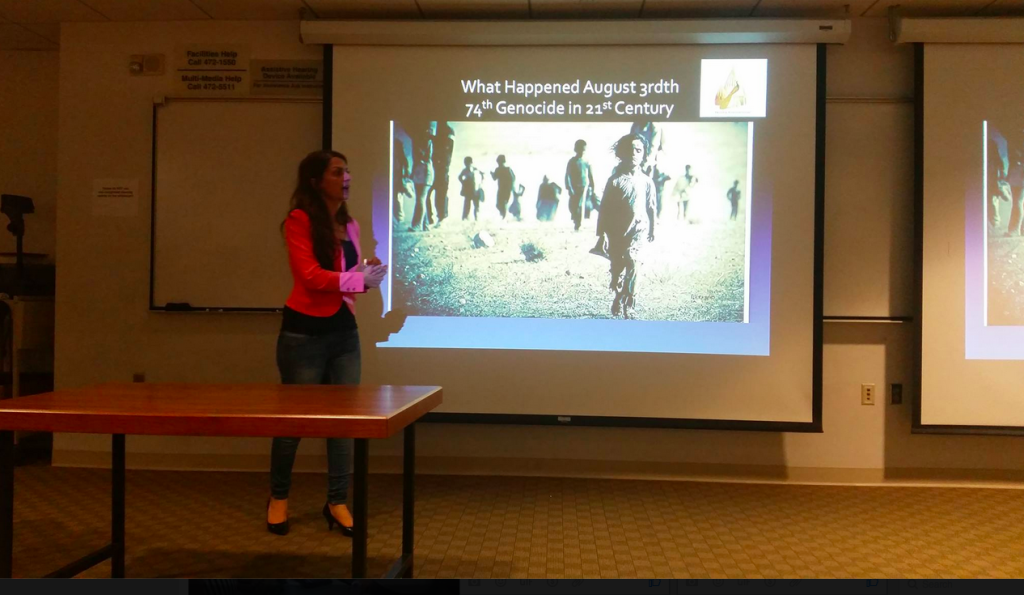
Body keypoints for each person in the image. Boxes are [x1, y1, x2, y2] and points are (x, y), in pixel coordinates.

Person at [268, 150, 387, 538]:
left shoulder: (348, 223)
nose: (347, 177)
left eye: (348, 170)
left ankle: (337, 502)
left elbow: (343, 277)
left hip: (343, 333)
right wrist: (355, 280)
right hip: (303, 333)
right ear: (317, 181)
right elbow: (310, 277)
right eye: (338, 172)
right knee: (293, 423)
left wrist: (365, 274)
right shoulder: (299, 221)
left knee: (344, 423)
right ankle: (279, 498)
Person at [596, 133, 656, 319]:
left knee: (633, 260)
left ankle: (630, 302)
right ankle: (619, 294)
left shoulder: (647, 181)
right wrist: (602, 235)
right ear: (621, 153)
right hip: (616, 232)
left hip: (639, 230)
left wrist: (653, 229)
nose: (634, 153)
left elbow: (652, 207)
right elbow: (604, 209)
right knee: (617, 269)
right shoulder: (615, 181)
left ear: (644, 154)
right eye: (629, 149)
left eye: (638, 150)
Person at [409, 122, 436, 231]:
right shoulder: (425, 140)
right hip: (422, 171)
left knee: (420, 198)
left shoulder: (425, 141)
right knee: (422, 198)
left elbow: (423, 156)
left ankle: (417, 225)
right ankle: (425, 225)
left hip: (424, 171)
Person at [565, 139, 596, 231]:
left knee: (580, 205)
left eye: (584, 150)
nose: (582, 152)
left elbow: (590, 175)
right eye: (580, 149)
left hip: (583, 186)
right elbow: (567, 175)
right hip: (574, 187)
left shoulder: (587, 161)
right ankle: (575, 220)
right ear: (575, 149)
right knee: (572, 205)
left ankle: (579, 224)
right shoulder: (572, 161)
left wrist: (592, 187)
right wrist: (569, 187)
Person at [431, 122, 455, 227]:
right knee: (440, 195)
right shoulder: (446, 132)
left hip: (441, 169)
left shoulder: (446, 133)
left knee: (440, 195)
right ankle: (439, 217)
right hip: (440, 169)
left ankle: (441, 217)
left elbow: (447, 148)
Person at [392, 137, 412, 223]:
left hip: (398, 178)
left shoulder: (399, 154)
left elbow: (404, 162)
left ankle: (399, 217)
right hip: (398, 177)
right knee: (397, 198)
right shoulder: (400, 155)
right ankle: (399, 217)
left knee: (397, 197)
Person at [491, 154, 516, 220]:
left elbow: (513, 178)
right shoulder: (503, 169)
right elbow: (513, 178)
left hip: (505, 189)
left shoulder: (506, 169)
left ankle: (503, 217)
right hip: (503, 189)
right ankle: (503, 216)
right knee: (500, 204)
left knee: (502, 203)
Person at [459, 156, 484, 221]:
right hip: (469, 190)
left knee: (475, 205)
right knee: (468, 205)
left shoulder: (475, 169)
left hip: (475, 190)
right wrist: (463, 182)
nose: (467, 164)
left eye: (468, 163)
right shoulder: (466, 170)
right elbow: (459, 177)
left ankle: (476, 218)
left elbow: (482, 175)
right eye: (466, 163)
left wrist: (481, 183)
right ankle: (466, 218)